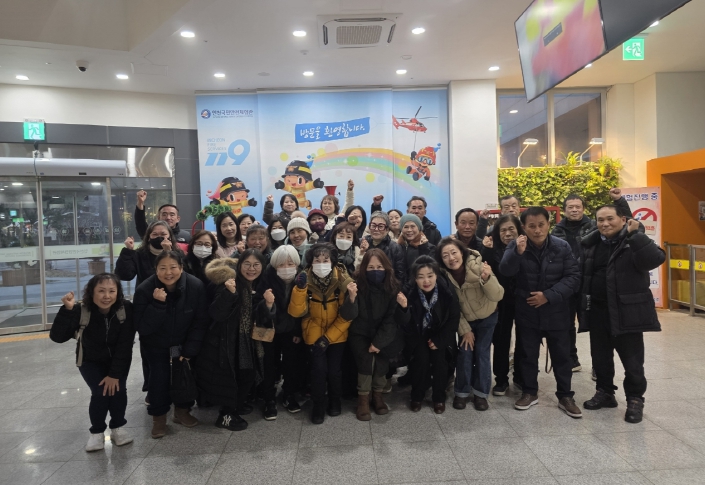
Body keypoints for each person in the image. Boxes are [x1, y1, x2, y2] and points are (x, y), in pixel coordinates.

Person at [578, 205, 665, 424]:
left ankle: (635, 399)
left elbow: (654, 259)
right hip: (598, 311)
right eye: (600, 220)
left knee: (633, 362)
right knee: (600, 359)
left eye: (610, 218)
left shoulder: (633, 241)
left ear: (623, 219)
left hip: (628, 312)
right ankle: (605, 392)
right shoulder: (591, 244)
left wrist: (636, 235)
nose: (605, 224)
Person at [499, 206, 582, 418]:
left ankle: (565, 396)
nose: (537, 230)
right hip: (527, 310)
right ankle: (529, 392)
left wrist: (548, 295)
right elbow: (505, 271)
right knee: (527, 354)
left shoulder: (561, 246)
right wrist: (517, 253)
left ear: (548, 224)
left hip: (557, 311)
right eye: (531, 226)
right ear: (523, 227)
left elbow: (573, 277)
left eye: (541, 225)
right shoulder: (516, 245)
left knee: (562, 356)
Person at [50, 274, 135, 451]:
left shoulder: (125, 308)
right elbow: (57, 337)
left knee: (118, 391)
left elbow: (125, 344)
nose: (107, 296)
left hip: (118, 359)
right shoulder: (80, 310)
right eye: (101, 291)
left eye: (112, 291)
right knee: (100, 392)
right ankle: (97, 432)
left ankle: (118, 427)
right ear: (91, 292)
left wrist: (114, 374)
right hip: (89, 361)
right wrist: (67, 310)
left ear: (118, 292)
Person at [133, 251, 209, 438]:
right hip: (155, 344)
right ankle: (158, 418)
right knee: (158, 380)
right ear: (156, 270)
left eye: (173, 267)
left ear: (181, 268)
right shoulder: (145, 289)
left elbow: (200, 321)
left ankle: (182, 411)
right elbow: (142, 327)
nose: (168, 272)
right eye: (163, 268)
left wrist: (191, 348)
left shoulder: (195, 286)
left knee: (184, 377)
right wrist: (158, 305)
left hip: (183, 342)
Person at [197, 250, 272, 431]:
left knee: (245, 374)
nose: (251, 269)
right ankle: (226, 415)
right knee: (234, 377)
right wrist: (229, 293)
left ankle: (235, 406)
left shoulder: (252, 284)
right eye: (247, 264)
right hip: (226, 341)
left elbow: (254, 313)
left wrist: (268, 305)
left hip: (244, 339)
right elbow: (216, 313)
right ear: (239, 265)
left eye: (256, 265)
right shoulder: (229, 283)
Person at [288, 243, 358, 424]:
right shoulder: (304, 279)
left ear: (332, 262)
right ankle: (318, 405)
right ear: (310, 262)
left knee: (334, 371)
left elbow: (347, 317)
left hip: (337, 335)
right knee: (318, 371)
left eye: (325, 260)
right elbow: (296, 312)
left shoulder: (343, 282)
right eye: (316, 260)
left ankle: (335, 401)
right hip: (312, 333)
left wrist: (328, 338)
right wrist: (300, 290)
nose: (321, 264)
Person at [436, 238, 503, 411]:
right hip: (465, 320)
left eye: (454, 253)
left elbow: (498, 295)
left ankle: (481, 394)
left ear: (462, 252)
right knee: (465, 353)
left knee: (481, 353)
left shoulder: (479, 266)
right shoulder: (443, 277)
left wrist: (487, 279)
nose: (451, 258)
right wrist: (465, 330)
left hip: (487, 316)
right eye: (445, 255)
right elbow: (452, 308)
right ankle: (462, 392)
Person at [348, 249, 406, 421]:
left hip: (384, 333)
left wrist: (379, 342)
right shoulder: (356, 285)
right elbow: (349, 316)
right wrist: (351, 299)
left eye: (379, 267)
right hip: (360, 332)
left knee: (381, 361)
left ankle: (378, 396)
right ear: (364, 268)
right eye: (371, 267)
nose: (375, 271)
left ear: (386, 267)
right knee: (366, 362)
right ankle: (363, 399)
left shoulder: (393, 287)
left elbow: (392, 319)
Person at [403, 256, 460, 414]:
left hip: (441, 334)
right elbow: (405, 323)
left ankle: (439, 397)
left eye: (430, 276)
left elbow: (453, 318)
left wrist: (439, 340)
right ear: (415, 278)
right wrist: (403, 308)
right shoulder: (409, 292)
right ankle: (417, 395)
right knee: (420, 360)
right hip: (418, 334)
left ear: (436, 275)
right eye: (421, 277)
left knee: (440, 361)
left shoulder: (446, 291)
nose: (426, 281)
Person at [256, 245, 306, 417]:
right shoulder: (266, 277)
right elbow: (258, 304)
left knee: (291, 363)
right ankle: (269, 399)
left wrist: (298, 331)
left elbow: (304, 308)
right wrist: (267, 304)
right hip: (270, 328)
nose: (286, 268)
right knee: (269, 363)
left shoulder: (302, 278)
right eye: (281, 264)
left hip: (291, 328)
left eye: (290, 264)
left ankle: (288, 394)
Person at [551, 194, 596, 372]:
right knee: (566, 323)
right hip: (567, 284)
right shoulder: (556, 230)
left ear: (583, 208)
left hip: (589, 283)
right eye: (571, 207)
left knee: (594, 325)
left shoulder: (594, 227)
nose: (575, 210)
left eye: (578, 207)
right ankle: (571, 359)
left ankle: (598, 365)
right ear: (564, 210)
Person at [481, 214, 525, 395]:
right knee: (501, 340)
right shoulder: (491, 249)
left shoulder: (526, 247)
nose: (507, 234)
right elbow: (486, 274)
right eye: (503, 230)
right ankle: (501, 379)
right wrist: (487, 250)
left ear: (519, 230)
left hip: (523, 300)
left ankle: (521, 376)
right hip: (501, 302)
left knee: (525, 340)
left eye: (511, 229)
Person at [115, 221, 182, 286]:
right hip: (145, 292)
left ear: (170, 237)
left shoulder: (178, 254)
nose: (159, 237)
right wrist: (128, 251)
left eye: (163, 234)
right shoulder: (139, 254)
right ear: (149, 238)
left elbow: (182, 276)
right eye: (155, 234)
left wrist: (168, 253)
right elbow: (124, 275)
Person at [360, 211, 406, 284]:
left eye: (381, 226)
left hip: (388, 287)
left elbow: (399, 274)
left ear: (387, 229)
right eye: (373, 225)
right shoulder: (361, 243)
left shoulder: (395, 248)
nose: (376, 229)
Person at [397, 214, 435, 284]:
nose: (409, 230)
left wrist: (423, 248)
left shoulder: (429, 248)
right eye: (406, 227)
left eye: (413, 226)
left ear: (419, 228)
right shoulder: (397, 247)